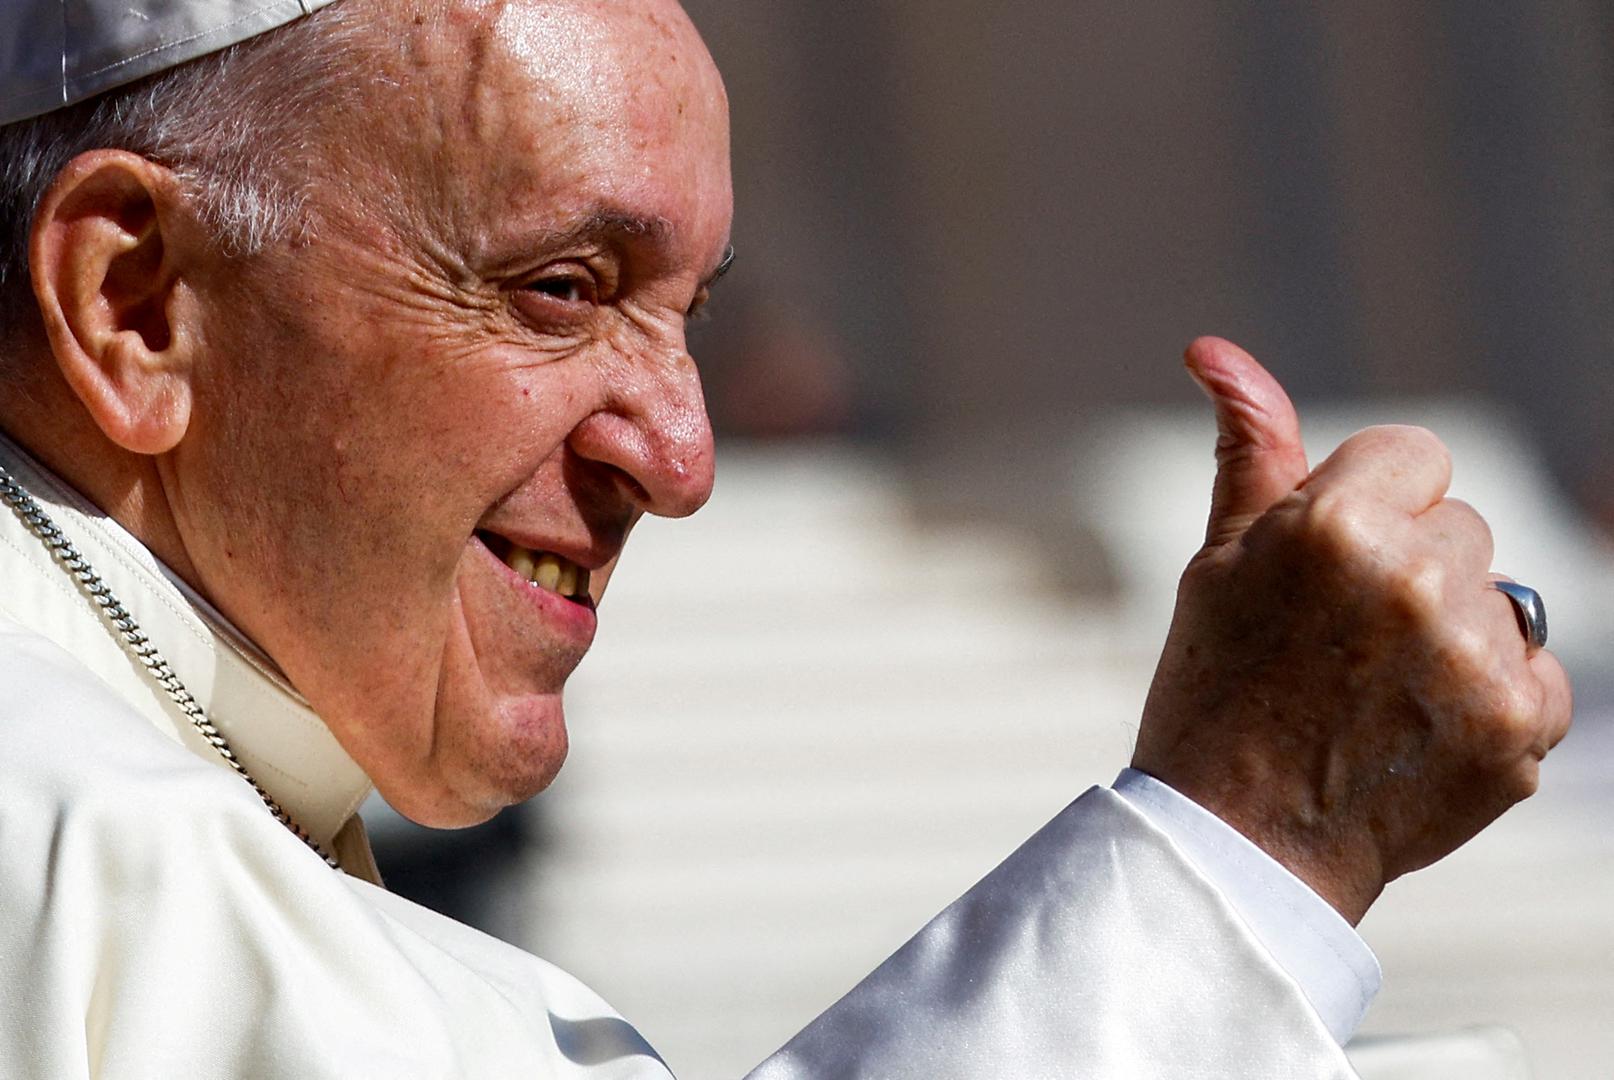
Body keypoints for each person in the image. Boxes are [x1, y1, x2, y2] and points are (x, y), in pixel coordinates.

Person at [0, 1, 1571, 1077]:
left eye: (691, 317)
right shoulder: (80, 838)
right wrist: (1251, 839)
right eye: (562, 288)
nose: (681, 462)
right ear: (138, 305)